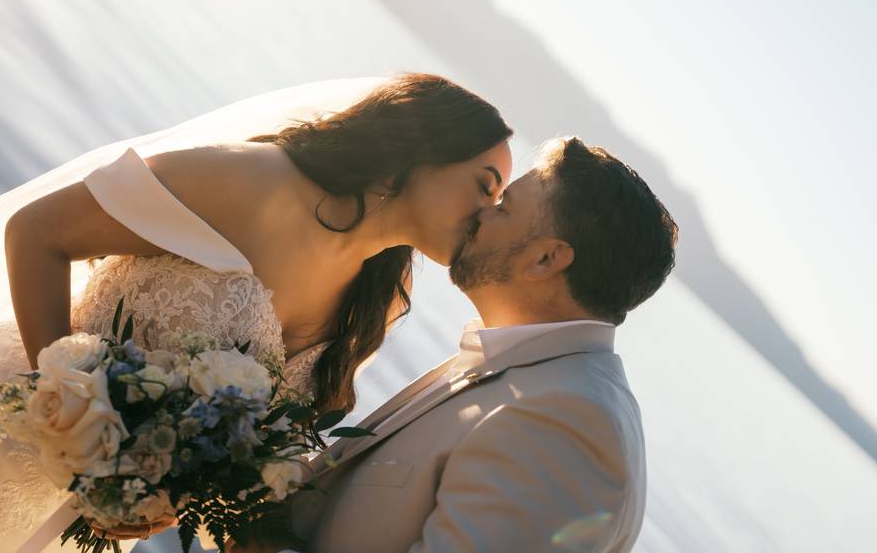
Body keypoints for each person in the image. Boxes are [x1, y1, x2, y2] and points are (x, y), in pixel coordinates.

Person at [0, 73, 514, 552]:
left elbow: (260, 439)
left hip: (92, 520)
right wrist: (64, 404)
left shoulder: (379, 296)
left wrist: (168, 495)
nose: (488, 212)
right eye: (484, 185)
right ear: (424, 151)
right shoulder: (252, 182)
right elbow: (36, 232)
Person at [245, 136, 678, 553]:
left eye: (505, 208)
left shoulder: (569, 427)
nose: (480, 214)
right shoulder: (528, 372)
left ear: (546, 259)